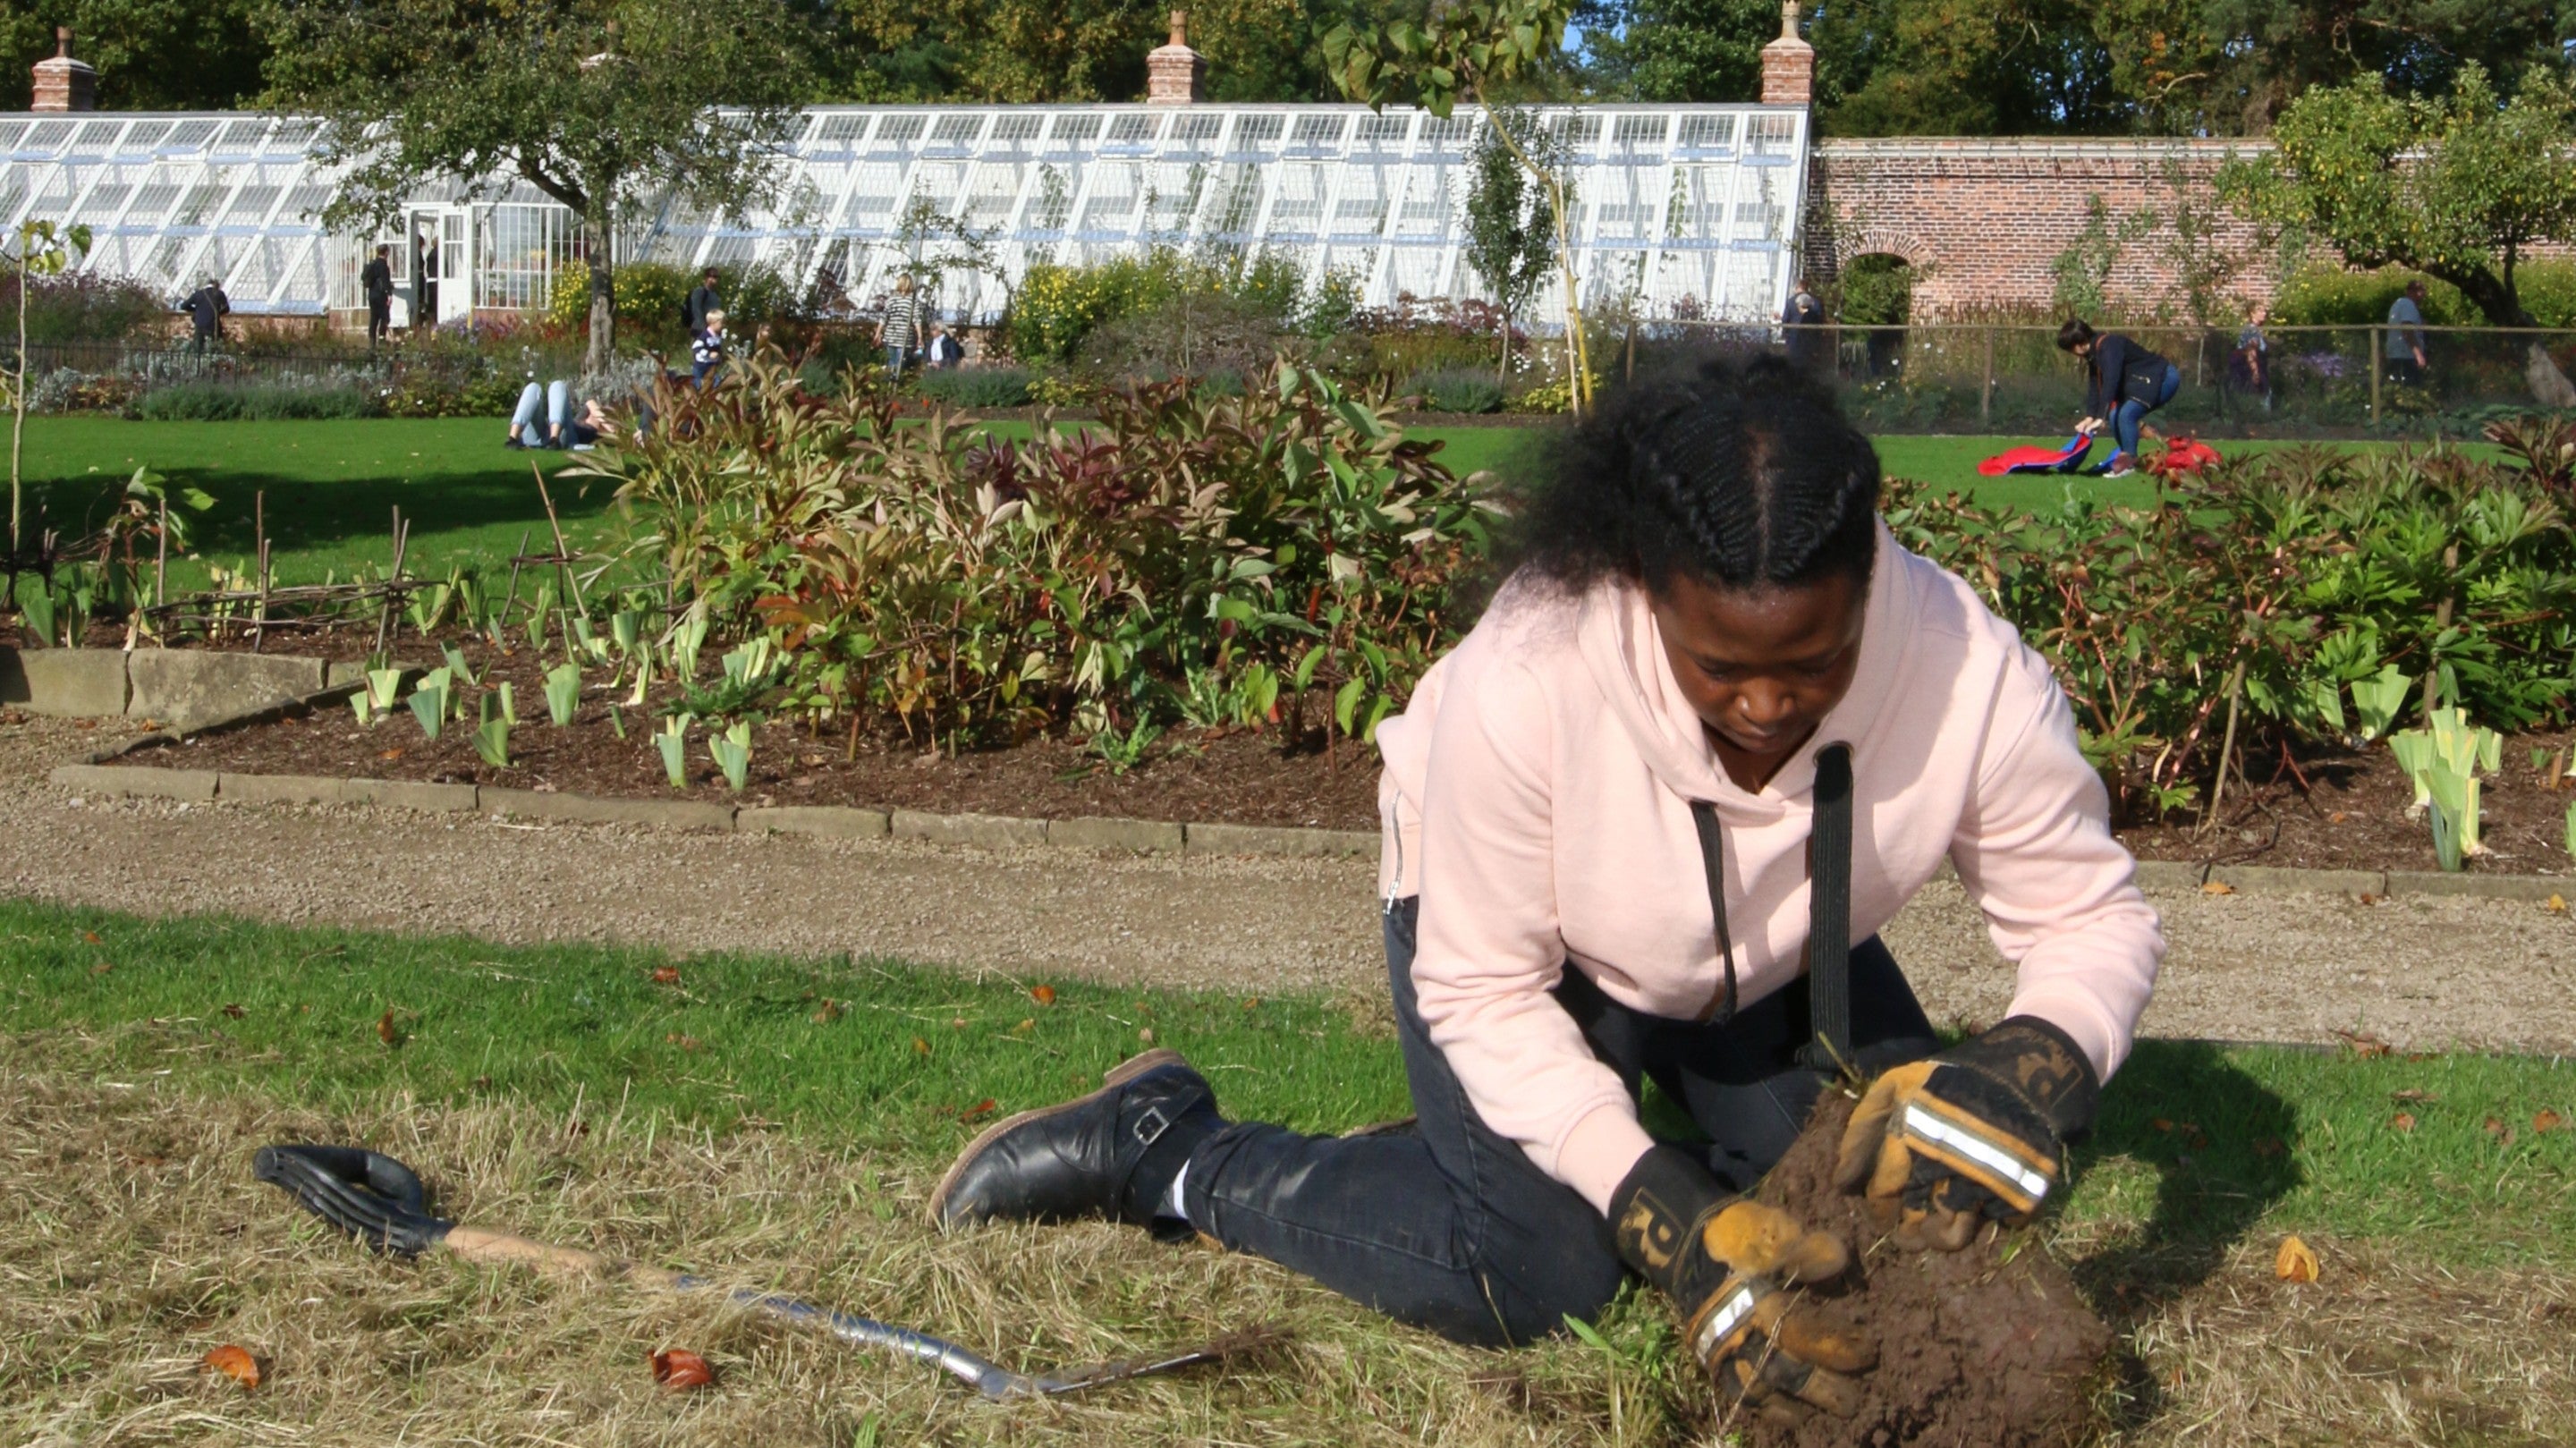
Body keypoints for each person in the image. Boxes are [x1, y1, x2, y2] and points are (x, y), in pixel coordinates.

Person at [929, 355, 2163, 1423]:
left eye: (1817, 663)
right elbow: (1479, 984)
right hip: (1528, 958)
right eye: (1720, 666)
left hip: (1771, 961)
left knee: (1889, 1205)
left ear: (1870, 589)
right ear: (1643, 585)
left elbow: (2089, 918)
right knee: (1537, 1270)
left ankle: (1465, 1150)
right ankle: (1174, 1147)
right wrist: (1656, 1204)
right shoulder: (1531, 672)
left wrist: (2032, 1065)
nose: (1769, 706)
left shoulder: (1967, 665)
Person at [2057, 319, 2180, 477]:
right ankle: (2128, 460)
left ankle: (2127, 465)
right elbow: (2096, 385)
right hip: (2142, 383)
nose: (2071, 353)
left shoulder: (2109, 346)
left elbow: (2111, 381)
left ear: (2079, 343)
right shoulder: (2094, 353)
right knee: (2115, 415)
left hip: (2163, 378)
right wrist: (2090, 417)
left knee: (2126, 414)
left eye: (2070, 348)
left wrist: (2101, 417)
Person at [506, 379, 622, 450]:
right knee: (533, 387)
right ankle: (512, 438)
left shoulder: (598, 435)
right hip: (538, 438)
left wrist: (611, 428)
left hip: (564, 438)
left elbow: (618, 438)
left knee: (558, 385)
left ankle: (554, 439)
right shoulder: (581, 419)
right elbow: (590, 403)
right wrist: (604, 420)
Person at [1780, 275, 1829, 377]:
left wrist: (1785, 334)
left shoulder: (1790, 302)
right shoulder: (1816, 302)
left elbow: (1785, 320)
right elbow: (1820, 321)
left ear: (1798, 288)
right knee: (1809, 367)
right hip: (1811, 339)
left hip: (1794, 338)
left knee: (1794, 366)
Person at [2229, 304, 2272, 413]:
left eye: (2265, 311)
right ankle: (2260, 417)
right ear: (2252, 313)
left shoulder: (2253, 329)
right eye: (2261, 311)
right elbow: (2250, 351)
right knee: (2262, 393)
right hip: (2249, 367)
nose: (2264, 314)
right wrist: (2255, 372)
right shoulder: (2252, 330)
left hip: (2252, 366)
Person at [2386, 279, 2428, 386]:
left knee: (2398, 388)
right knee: (2409, 389)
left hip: (2397, 355)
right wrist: (2419, 355)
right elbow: (2407, 330)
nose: (2423, 294)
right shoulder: (2408, 305)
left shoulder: (2400, 304)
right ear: (2411, 292)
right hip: (2406, 356)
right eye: (2421, 290)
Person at [881, 275, 920, 378]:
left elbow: (884, 317)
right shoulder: (912, 301)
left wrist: (878, 333)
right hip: (904, 336)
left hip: (891, 336)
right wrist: (920, 336)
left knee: (892, 361)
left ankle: (890, 382)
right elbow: (917, 319)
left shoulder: (892, 299)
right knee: (900, 363)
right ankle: (895, 382)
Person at [181, 275, 229, 354]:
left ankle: (199, 363)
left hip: (199, 325)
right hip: (214, 325)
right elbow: (227, 309)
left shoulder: (198, 294)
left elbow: (183, 306)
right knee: (215, 348)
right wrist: (216, 312)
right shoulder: (219, 293)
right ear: (216, 285)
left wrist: (196, 310)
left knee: (199, 350)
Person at [361, 243, 395, 349]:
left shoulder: (373, 264)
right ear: (386, 252)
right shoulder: (383, 265)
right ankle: (381, 340)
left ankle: (372, 342)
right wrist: (389, 294)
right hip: (381, 295)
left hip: (372, 294)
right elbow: (385, 281)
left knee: (373, 318)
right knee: (384, 318)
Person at [691, 309, 727, 387]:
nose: (724, 325)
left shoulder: (717, 337)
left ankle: (713, 395)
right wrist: (708, 354)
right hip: (700, 365)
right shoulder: (705, 336)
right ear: (713, 323)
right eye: (721, 323)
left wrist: (721, 357)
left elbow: (718, 349)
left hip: (711, 365)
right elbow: (696, 348)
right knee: (698, 383)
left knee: (717, 381)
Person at [681, 267, 722, 334]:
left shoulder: (715, 294)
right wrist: (702, 328)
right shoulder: (700, 291)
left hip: (712, 329)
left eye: (717, 277)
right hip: (700, 329)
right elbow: (696, 310)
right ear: (707, 278)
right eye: (713, 276)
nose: (716, 279)